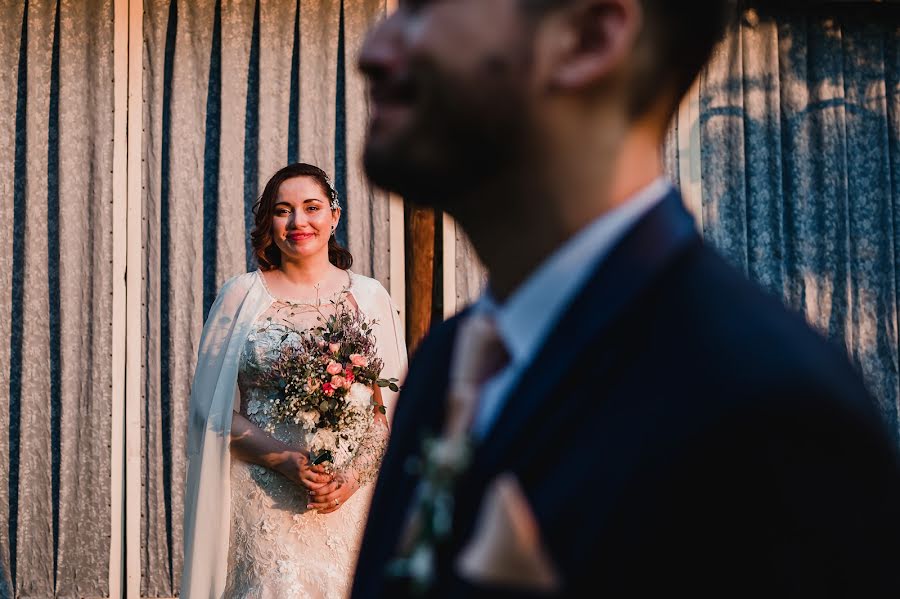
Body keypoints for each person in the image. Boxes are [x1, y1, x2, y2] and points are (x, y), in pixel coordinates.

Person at [351, 0, 900, 596]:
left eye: (420, 9)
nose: (371, 52)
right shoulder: (448, 361)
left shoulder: (770, 409)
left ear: (588, 39)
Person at [180, 163, 407, 598]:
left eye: (311, 207)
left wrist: (352, 480)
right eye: (283, 211)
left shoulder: (370, 297)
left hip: (349, 508)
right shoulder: (240, 296)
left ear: (334, 216)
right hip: (266, 504)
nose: (298, 222)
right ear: (270, 222)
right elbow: (210, 410)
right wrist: (282, 459)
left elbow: (386, 415)